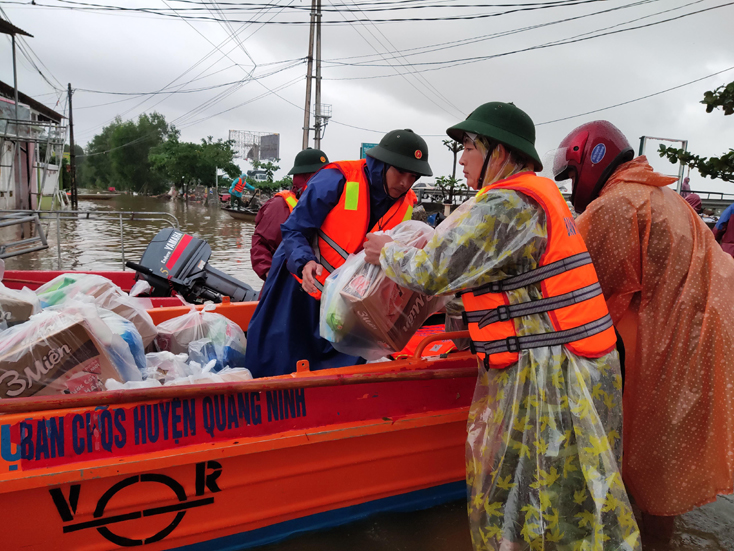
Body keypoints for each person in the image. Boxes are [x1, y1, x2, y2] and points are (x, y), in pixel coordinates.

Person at [364, 103, 639, 551]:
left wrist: (385, 252)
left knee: (542, 493)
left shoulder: (507, 203)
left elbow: (433, 270)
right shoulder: (534, 196)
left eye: (469, 146)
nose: (463, 158)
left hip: (554, 377)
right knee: (568, 493)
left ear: (499, 151)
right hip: (573, 365)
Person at [552, 120, 734, 543]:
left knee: (649, 469)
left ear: (591, 160)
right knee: (663, 468)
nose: (572, 185)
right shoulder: (663, 196)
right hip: (703, 338)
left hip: (669, 347)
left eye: (572, 175)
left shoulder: (617, 205)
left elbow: (576, 285)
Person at [243, 129, 430, 378]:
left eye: (413, 176)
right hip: (301, 282)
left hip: (347, 297)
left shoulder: (407, 203)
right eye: (400, 172)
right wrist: (303, 262)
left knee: (341, 361)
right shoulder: (336, 179)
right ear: (383, 164)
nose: (405, 183)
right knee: (279, 354)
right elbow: (294, 229)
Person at [250, 148, 329, 281]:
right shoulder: (280, 205)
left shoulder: (327, 202)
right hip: (286, 284)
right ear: (303, 176)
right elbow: (260, 244)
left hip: (319, 283)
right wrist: (271, 276)